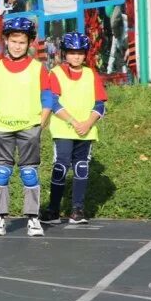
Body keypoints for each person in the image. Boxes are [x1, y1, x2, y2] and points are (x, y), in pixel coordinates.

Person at [0, 16, 52, 237]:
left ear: (29, 43)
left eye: (22, 42)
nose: (17, 46)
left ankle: (32, 218)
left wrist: (40, 124)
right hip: (2, 127)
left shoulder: (37, 68)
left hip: (29, 127)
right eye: (13, 41)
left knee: (29, 172)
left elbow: (48, 98)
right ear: (6, 40)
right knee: (2, 172)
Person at [43, 32, 106, 225]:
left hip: (86, 131)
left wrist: (87, 123)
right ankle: (53, 210)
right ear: (65, 53)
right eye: (71, 52)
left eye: (79, 52)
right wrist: (73, 121)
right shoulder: (56, 73)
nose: (76, 56)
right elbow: (53, 102)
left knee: (81, 167)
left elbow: (100, 103)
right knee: (61, 166)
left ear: (85, 54)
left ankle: (77, 210)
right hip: (64, 129)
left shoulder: (91, 74)